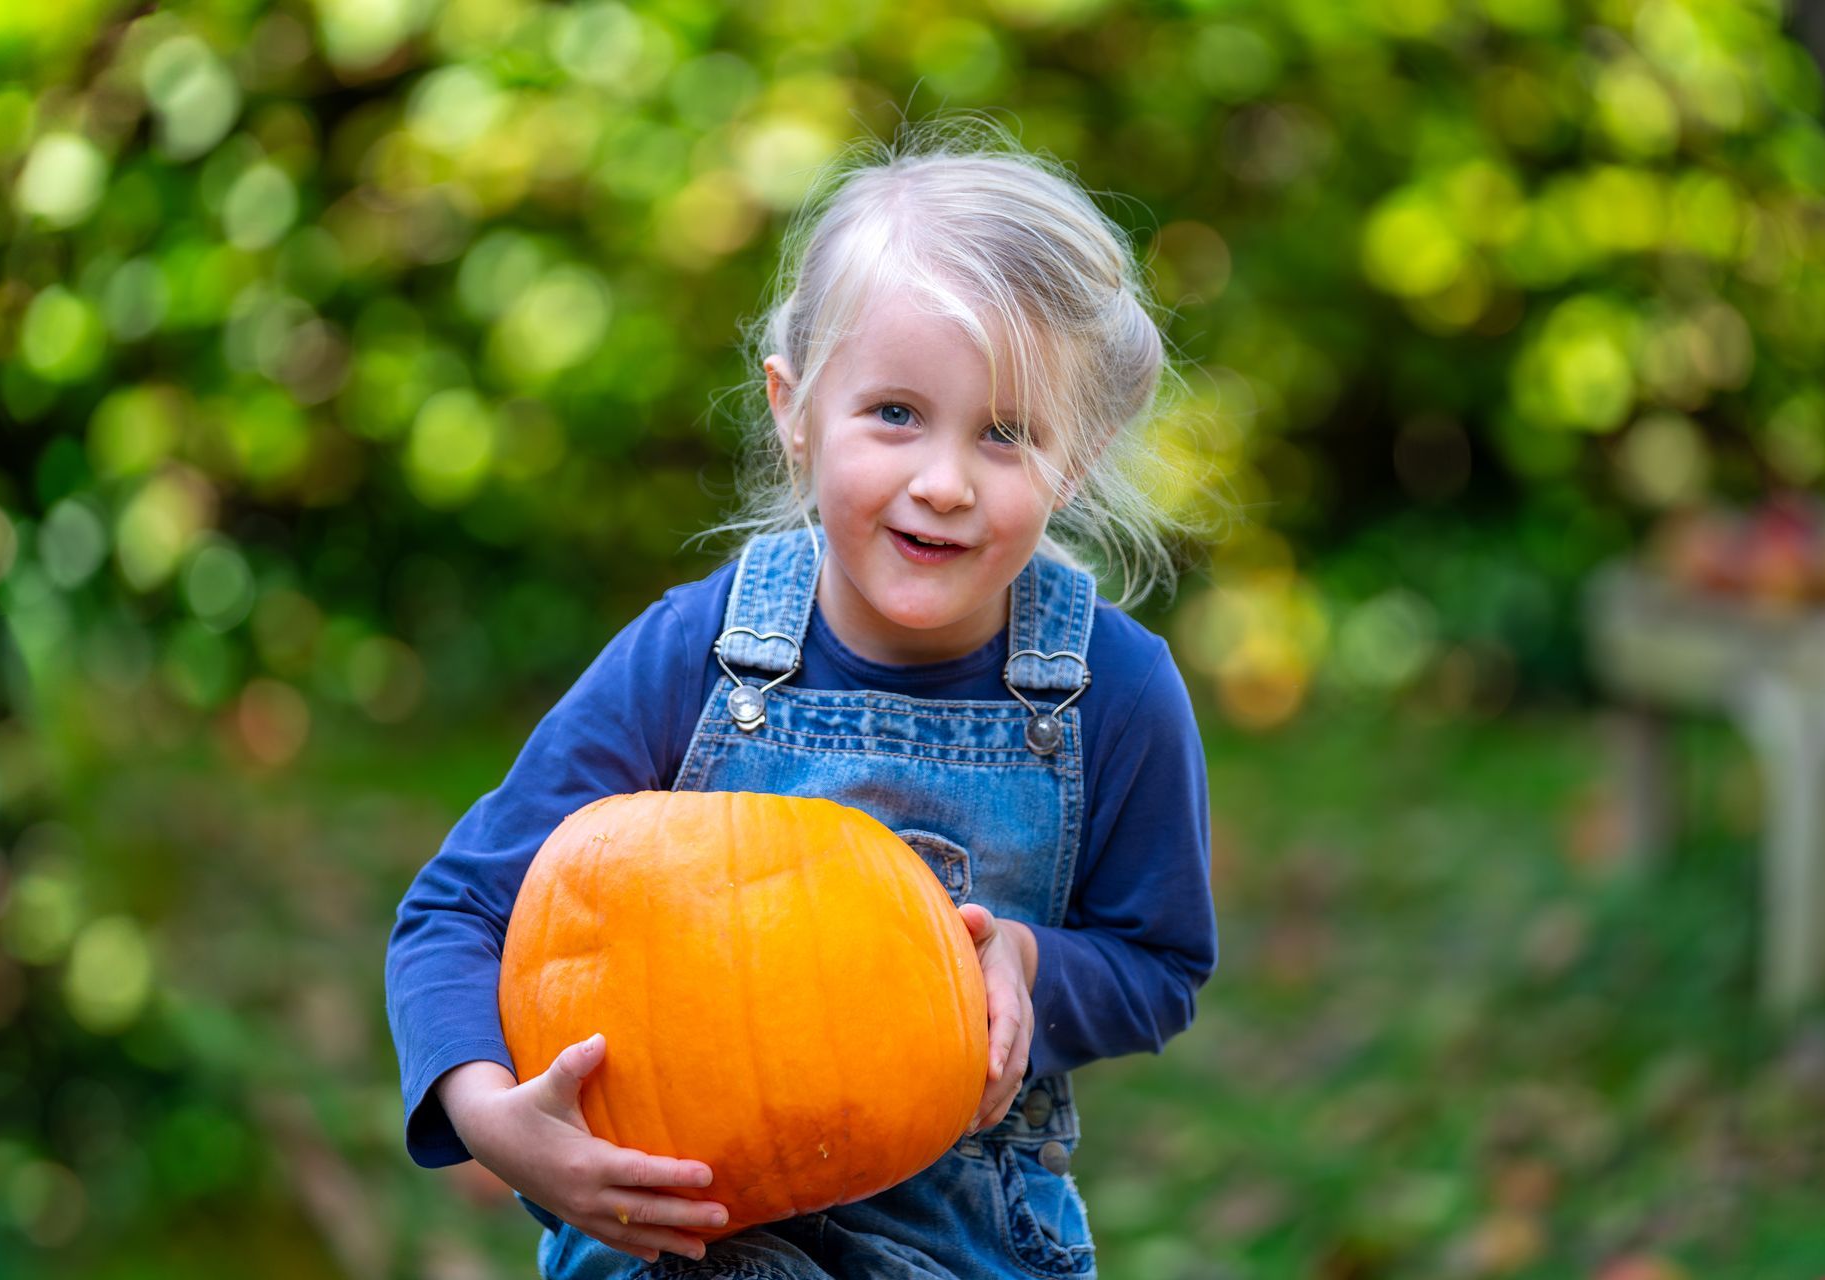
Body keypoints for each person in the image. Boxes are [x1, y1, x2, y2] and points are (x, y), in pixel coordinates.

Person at [385, 116, 1219, 1279]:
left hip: (966, 1247)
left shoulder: (1112, 694)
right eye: (894, 414)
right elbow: (458, 910)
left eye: (1006, 434)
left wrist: (1030, 962)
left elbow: (1162, 961)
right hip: (681, 1234)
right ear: (794, 408)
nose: (942, 481)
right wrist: (493, 1116)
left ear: (1071, 461)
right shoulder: (691, 658)